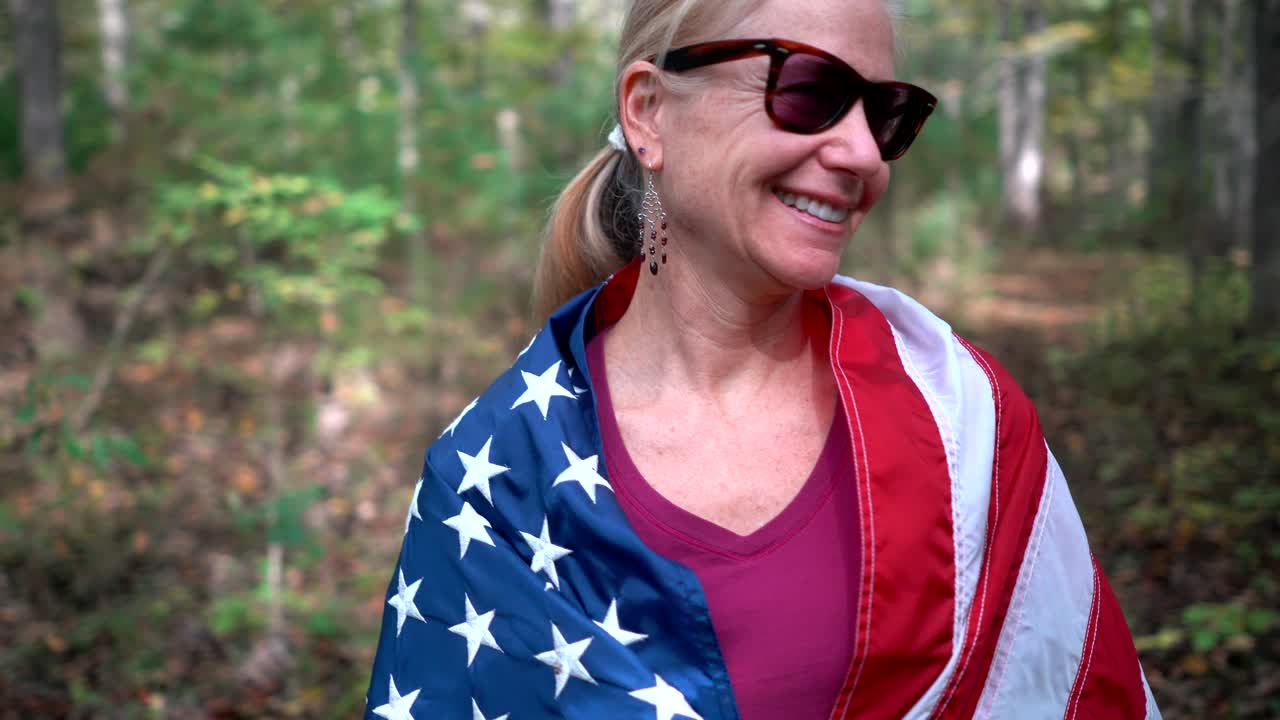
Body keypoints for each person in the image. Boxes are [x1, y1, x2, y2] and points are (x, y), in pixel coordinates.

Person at [365, 0, 1162, 718]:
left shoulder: (963, 420)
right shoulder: (498, 475)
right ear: (648, 113)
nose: (863, 156)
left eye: (887, 115)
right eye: (809, 90)